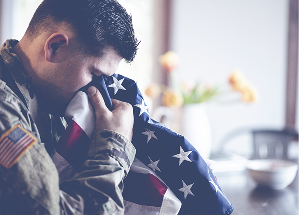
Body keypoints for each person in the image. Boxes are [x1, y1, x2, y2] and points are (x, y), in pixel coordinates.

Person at [0, 0, 139, 214]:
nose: (98, 90)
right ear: (55, 48)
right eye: (95, 74)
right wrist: (114, 145)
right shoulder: (4, 108)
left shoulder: (47, 97)